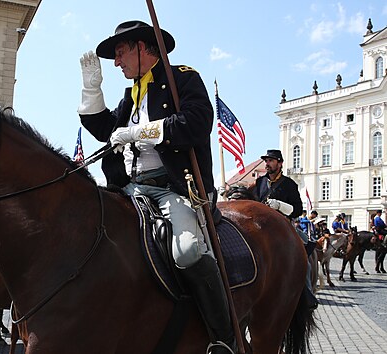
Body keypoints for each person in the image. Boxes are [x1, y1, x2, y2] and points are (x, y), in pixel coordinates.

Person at [78, 20, 234, 352]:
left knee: (188, 251)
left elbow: (195, 124)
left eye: (120, 53)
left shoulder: (183, 79)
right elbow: (106, 129)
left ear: (142, 47)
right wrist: (92, 91)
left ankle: (223, 337)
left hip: (174, 189)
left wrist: (137, 132)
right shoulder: (131, 94)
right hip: (130, 189)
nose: (117, 62)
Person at [250, 149, 318, 310]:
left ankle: (306, 293)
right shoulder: (260, 183)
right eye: (266, 161)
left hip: (283, 226)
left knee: (304, 255)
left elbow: (297, 209)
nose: (267, 164)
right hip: (260, 226)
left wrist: (280, 205)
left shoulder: (289, 184)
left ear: (279, 163)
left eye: (271, 161)